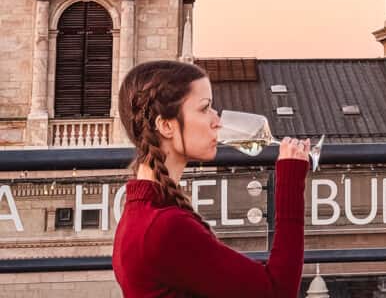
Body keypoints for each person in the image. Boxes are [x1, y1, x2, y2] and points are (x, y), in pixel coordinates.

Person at [113, 59, 309, 297]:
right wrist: (290, 178)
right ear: (166, 126)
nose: (218, 121)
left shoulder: (139, 214)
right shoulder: (166, 228)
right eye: (205, 108)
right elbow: (278, 291)